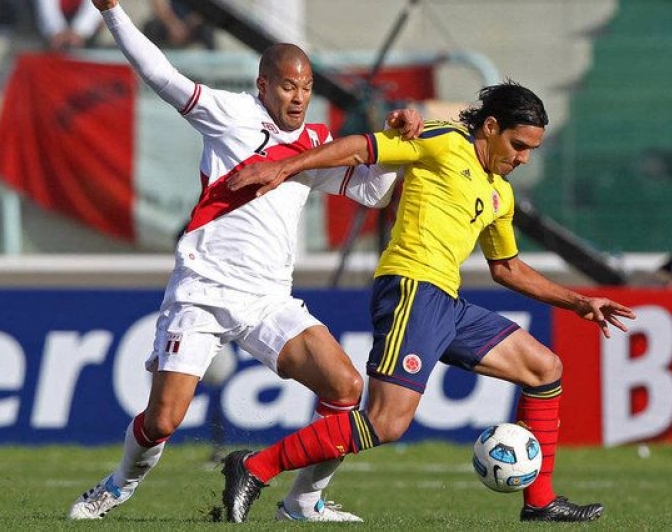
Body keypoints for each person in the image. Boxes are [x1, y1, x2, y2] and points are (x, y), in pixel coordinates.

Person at [68, 0, 423, 522]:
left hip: (267, 299)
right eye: (287, 86)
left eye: (304, 88)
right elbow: (161, 74)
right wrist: (113, 11)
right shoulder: (231, 114)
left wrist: (398, 143)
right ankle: (117, 485)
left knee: (345, 387)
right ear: (263, 86)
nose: (298, 97)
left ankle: (303, 502)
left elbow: (372, 195)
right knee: (164, 420)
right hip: (203, 290)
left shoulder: (315, 143)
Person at [221, 81, 638, 523]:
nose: (522, 158)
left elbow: (508, 268)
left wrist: (578, 302)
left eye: (531, 150)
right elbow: (361, 149)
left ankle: (540, 501)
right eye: (517, 145)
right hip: (411, 288)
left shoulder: (502, 192)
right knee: (386, 422)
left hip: (447, 302)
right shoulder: (442, 140)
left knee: (544, 368)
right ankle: (254, 467)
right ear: (491, 127)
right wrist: (286, 166)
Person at [143, 0, 216, 50]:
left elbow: (206, 8)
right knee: (150, 28)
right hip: (170, 21)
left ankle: (213, 65)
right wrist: (172, 25)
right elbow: (158, 3)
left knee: (207, 28)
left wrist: (191, 23)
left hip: (192, 23)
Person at [34, 0, 102, 50]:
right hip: (47, 32)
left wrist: (80, 32)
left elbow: (95, 8)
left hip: (89, 35)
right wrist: (56, 30)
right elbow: (46, 6)